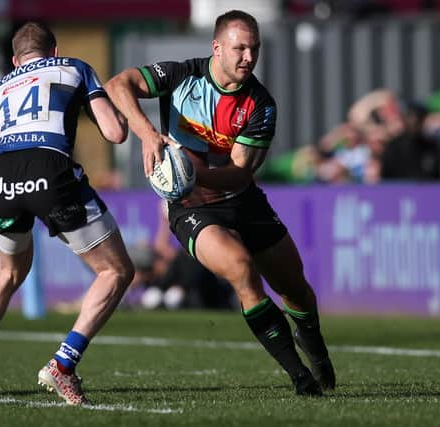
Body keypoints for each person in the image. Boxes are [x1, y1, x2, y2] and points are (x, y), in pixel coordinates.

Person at [106, 10, 335, 396]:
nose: (248, 56)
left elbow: (239, 173)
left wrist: (193, 172)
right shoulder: (181, 76)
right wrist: (147, 133)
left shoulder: (260, 105)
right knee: (242, 270)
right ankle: (300, 377)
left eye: (254, 49)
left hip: (242, 200)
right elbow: (118, 83)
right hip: (192, 209)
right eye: (240, 47)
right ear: (216, 47)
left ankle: (314, 346)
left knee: (296, 289)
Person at [0, 22, 134, 406]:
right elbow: (114, 133)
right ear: (54, 49)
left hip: (0, 183)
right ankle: (63, 364)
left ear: (15, 60)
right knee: (116, 271)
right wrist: (124, 118)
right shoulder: (74, 67)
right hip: (49, 171)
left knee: (8, 272)